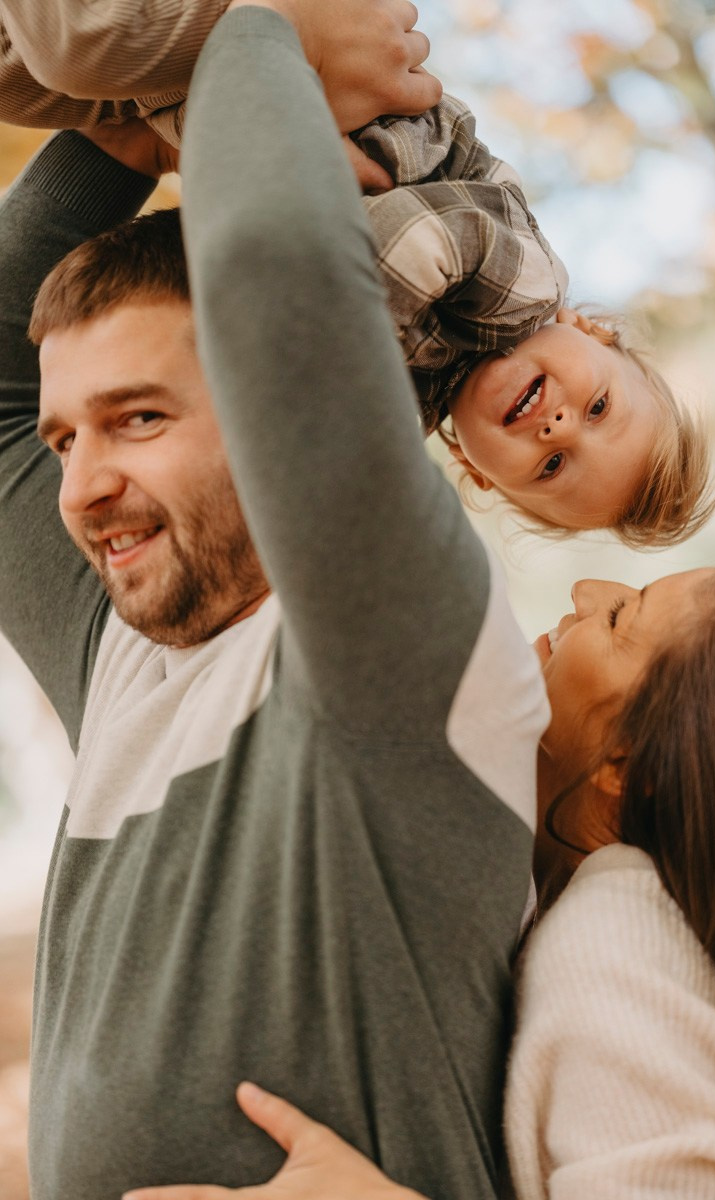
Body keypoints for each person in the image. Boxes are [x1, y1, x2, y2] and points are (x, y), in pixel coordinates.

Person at [0, 3, 551, 1199]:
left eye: (138, 418)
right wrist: (135, 123)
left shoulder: (388, 634)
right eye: (61, 435)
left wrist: (255, 31)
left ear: (265, 408)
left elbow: (278, 286)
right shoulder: (123, 657)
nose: (81, 485)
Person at [126, 565, 715, 1200]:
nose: (587, 590)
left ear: (626, 765)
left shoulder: (616, 949)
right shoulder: (661, 931)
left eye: (622, 617)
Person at [0, 0, 715, 548]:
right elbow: (406, 245)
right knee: (79, 41)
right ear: (592, 331)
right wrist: (321, 369)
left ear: (474, 471)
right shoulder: (522, 283)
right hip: (309, 56)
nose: (558, 427)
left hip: (210, 95)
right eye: (598, 410)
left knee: (19, 75)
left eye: (552, 467)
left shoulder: (409, 385)